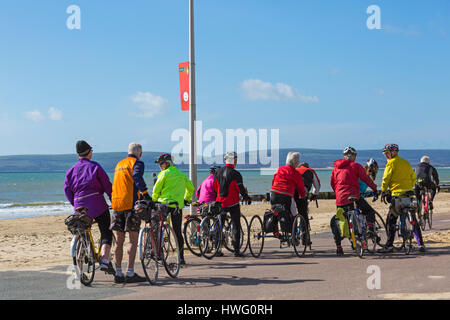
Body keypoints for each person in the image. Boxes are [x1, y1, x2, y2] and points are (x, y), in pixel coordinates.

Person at [64, 140, 116, 276]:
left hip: (78, 205)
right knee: (106, 229)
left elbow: (67, 190)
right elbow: (107, 185)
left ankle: (79, 270)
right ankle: (104, 259)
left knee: (81, 229)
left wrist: (75, 204)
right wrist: (113, 200)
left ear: (78, 155)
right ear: (90, 152)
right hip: (96, 204)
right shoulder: (95, 167)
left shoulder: (70, 171)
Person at [111, 142, 150, 283]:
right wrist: (146, 194)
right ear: (140, 153)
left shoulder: (119, 164)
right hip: (130, 205)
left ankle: (118, 272)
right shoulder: (137, 163)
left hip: (116, 204)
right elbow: (137, 177)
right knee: (133, 240)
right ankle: (130, 272)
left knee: (119, 241)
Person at [330, 147, 378, 256]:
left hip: (340, 199)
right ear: (354, 156)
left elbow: (333, 184)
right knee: (369, 211)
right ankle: (370, 228)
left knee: (341, 220)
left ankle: (341, 246)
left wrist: (338, 192)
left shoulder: (335, 169)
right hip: (354, 196)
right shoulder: (355, 166)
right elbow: (366, 179)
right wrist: (375, 189)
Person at [378, 144, 426, 253]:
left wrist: (383, 191)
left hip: (397, 196)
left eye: (387, 153)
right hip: (409, 196)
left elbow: (386, 178)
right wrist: (408, 186)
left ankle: (389, 245)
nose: (385, 155)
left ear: (393, 152)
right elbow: (413, 177)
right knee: (413, 219)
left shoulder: (391, 163)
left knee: (391, 220)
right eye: (384, 153)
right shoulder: (406, 162)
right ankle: (421, 244)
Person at [152, 154, 194, 265]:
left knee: (158, 227)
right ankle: (181, 258)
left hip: (164, 204)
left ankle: (158, 253)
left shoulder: (164, 174)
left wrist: (153, 200)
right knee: (177, 232)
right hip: (177, 206)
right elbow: (191, 188)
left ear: (167, 163)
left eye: (161, 164)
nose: (160, 166)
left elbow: (156, 189)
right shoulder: (181, 174)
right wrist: (185, 200)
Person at [214, 152, 251, 257]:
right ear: (234, 160)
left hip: (220, 202)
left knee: (219, 224)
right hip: (232, 202)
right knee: (236, 225)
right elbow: (241, 189)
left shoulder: (218, 172)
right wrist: (246, 197)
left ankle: (217, 248)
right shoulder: (236, 174)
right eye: (236, 159)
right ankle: (236, 250)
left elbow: (215, 187)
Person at [270, 152, 306, 235]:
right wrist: (302, 196)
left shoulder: (279, 169)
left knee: (275, 211)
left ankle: (275, 230)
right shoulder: (296, 173)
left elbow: (273, 180)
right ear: (296, 162)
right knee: (293, 213)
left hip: (274, 193)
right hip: (286, 195)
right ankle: (293, 233)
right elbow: (301, 188)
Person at [295, 162, 321, 240]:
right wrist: (314, 194)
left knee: (292, 211)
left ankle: (293, 231)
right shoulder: (310, 171)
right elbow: (317, 185)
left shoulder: (295, 170)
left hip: (291, 192)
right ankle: (305, 236)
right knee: (303, 213)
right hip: (302, 192)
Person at [358, 158, 380, 236]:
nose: (370, 173)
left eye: (372, 172)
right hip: (357, 197)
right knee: (370, 212)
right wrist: (374, 191)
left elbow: (362, 189)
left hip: (357, 196)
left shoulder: (362, 174)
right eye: (370, 171)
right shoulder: (363, 174)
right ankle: (371, 230)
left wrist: (371, 193)